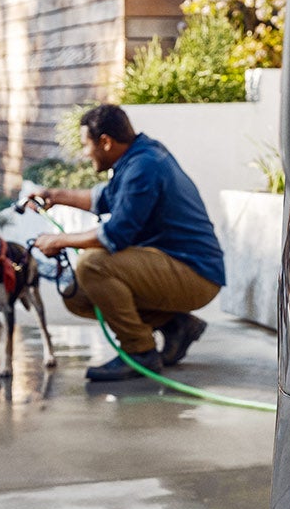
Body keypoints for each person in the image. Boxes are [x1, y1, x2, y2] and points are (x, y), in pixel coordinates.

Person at [29, 104, 225, 381]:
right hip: (177, 267)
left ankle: (139, 353)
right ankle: (176, 325)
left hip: (195, 274)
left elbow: (114, 236)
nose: (85, 154)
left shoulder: (145, 166)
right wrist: (55, 195)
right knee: (78, 296)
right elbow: (103, 199)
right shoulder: (137, 158)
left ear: (105, 142)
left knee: (92, 265)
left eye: (86, 145)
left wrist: (59, 240)